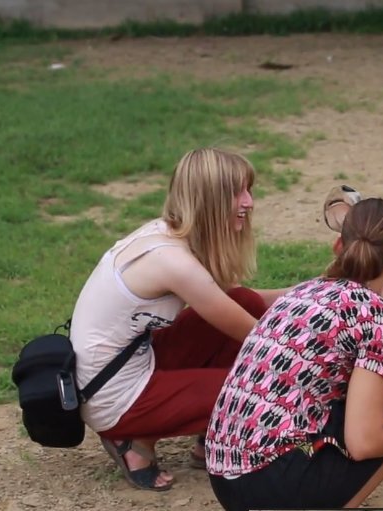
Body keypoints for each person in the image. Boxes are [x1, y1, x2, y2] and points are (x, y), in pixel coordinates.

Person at [205, 197, 383, 511]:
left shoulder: (304, 290)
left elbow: (331, 373)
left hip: (225, 478)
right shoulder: (378, 318)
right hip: (271, 486)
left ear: (339, 245)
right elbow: (364, 443)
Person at [70, 147, 291, 491]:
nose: (249, 202)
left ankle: (210, 437)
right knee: (249, 395)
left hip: (126, 364)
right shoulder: (172, 262)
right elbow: (260, 338)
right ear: (209, 198)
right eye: (238, 192)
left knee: (242, 300)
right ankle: (134, 440)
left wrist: (318, 289)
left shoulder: (166, 233)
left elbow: (239, 303)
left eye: (250, 190)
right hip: (112, 396)